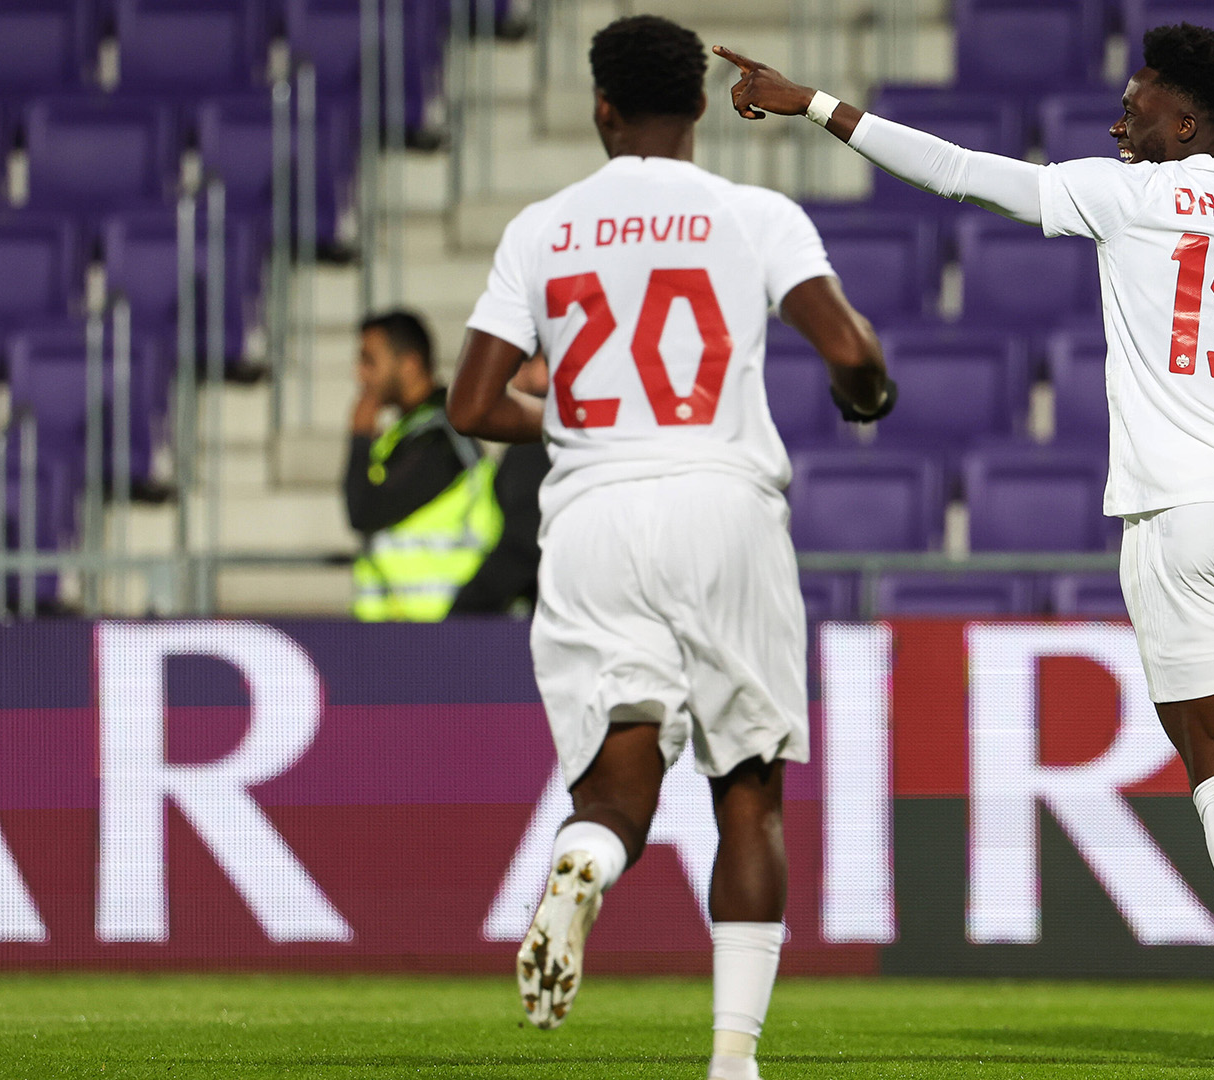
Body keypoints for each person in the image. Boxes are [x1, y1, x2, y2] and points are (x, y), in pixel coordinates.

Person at [718, 22, 1214, 1064]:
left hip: (1176, 512)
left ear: (1185, 119)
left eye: (1138, 101)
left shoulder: (1132, 196)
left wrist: (815, 105)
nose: (1121, 115)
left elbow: (957, 174)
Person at [444, 16, 893, 1080]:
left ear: (601, 108)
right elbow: (852, 351)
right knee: (747, 787)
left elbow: (470, 403)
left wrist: (566, 423)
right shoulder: (752, 215)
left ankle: (582, 863)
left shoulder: (542, 230)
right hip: (719, 503)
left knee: (614, 786)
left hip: (593, 515)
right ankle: (732, 1061)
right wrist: (863, 393)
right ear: (698, 108)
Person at [345, 310, 501, 621]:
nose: (360, 374)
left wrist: (360, 440)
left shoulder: (444, 436)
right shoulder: (409, 432)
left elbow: (365, 510)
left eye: (369, 360)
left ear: (410, 364)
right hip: (404, 627)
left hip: (444, 630)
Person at [449, 356, 551, 616]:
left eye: (521, 362)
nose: (511, 377)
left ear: (543, 366)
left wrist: (464, 614)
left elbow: (523, 544)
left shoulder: (538, 443)